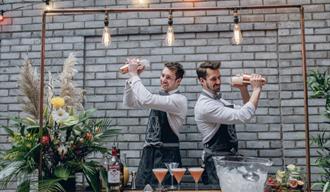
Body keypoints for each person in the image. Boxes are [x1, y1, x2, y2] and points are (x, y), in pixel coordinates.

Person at [194, 61, 265, 185]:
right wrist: (257, 88)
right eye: (213, 79)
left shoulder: (218, 101)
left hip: (228, 161)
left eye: (219, 77)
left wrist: (243, 89)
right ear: (202, 81)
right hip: (216, 164)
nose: (218, 82)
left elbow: (246, 109)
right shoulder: (205, 105)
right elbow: (244, 115)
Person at [123, 61, 187, 188]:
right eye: (162, 75)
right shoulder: (158, 100)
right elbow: (129, 102)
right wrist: (131, 77)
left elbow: (147, 99)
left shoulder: (178, 100)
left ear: (178, 81)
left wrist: (134, 75)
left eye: (168, 77)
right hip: (148, 157)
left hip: (167, 158)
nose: (163, 80)